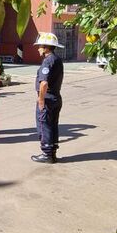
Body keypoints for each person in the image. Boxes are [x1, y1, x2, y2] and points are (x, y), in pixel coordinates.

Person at [32, 32, 65, 164]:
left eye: (40, 46)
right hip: (56, 97)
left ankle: (47, 154)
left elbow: (44, 83)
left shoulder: (47, 61)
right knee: (52, 125)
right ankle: (52, 152)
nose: (38, 48)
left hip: (48, 99)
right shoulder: (56, 59)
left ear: (46, 47)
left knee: (44, 126)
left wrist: (41, 100)